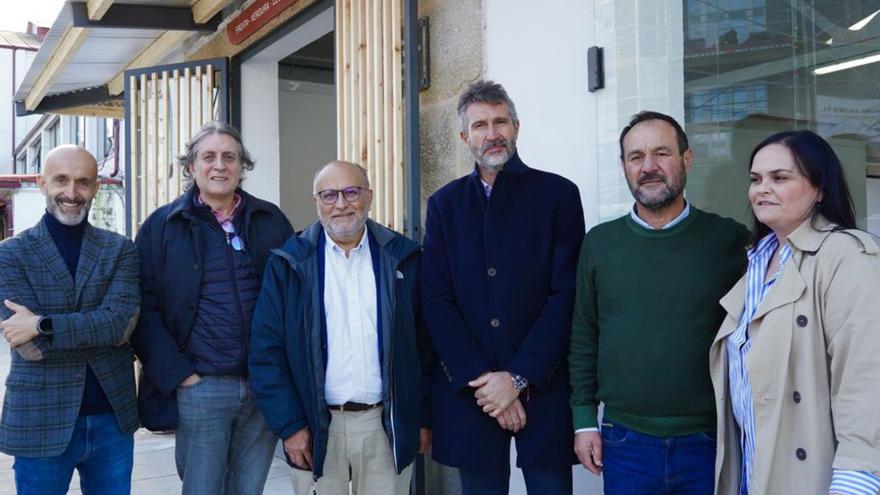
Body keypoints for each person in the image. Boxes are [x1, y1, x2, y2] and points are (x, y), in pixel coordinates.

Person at [569, 111, 749, 494]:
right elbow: (584, 334)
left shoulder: (729, 241)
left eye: (661, 153)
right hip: (625, 441)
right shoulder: (600, 244)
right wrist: (584, 420)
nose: (648, 167)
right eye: (636, 157)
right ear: (623, 167)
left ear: (687, 159)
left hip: (711, 439)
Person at [421, 80, 584, 494]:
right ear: (464, 136)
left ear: (516, 126)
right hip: (474, 396)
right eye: (479, 125)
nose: (491, 133)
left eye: (499, 122)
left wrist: (517, 378)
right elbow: (436, 301)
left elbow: (566, 295)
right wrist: (485, 380)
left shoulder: (559, 195)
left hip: (543, 388)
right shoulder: (444, 205)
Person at [710, 130, 880, 495]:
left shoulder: (846, 255)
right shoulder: (756, 260)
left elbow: (865, 380)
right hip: (753, 472)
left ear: (819, 190)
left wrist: (855, 483)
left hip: (815, 478)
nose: (762, 189)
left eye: (780, 178)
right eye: (756, 179)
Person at [248, 160, 433, 494]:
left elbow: (426, 347)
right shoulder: (288, 264)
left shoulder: (403, 258)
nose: (341, 204)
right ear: (317, 201)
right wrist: (290, 426)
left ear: (369, 196)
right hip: (316, 428)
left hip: (384, 426)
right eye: (329, 195)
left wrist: (420, 418)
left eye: (351, 192)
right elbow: (266, 352)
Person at [132, 121, 293, 494]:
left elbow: (295, 300)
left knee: (248, 489)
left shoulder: (271, 220)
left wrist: (283, 370)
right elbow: (144, 309)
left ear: (242, 167)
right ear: (191, 167)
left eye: (229, 157)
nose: (219, 165)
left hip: (263, 384)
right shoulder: (162, 227)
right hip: (202, 387)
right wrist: (181, 376)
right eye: (208, 157)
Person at [0, 145, 140, 494]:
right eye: (61, 180)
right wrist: (98, 330)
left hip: (111, 415)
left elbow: (118, 324)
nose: (72, 193)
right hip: (40, 416)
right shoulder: (9, 255)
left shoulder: (120, 250)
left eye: (83, 182)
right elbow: (28, 345)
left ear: (96, 187)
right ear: (42, 183)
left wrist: (41, 324)